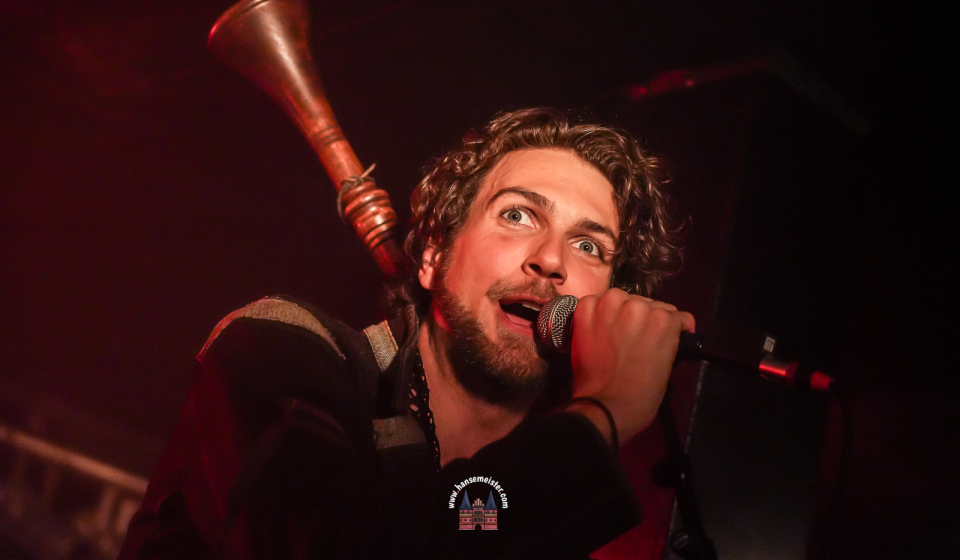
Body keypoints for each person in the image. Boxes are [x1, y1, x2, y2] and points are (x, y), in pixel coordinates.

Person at [118, 108, 695, 559]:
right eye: (518, 215)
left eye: (588, 245)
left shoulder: (518, 513)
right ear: (435, 254)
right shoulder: (278, 345)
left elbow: (471, 520)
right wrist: (604, 412)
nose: (550, 260)